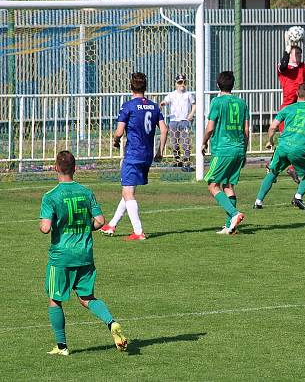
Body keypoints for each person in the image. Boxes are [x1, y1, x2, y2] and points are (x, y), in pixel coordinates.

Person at [40, 150, 127, 356]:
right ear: (75, 168)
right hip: (85, 254)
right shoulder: (86, 192)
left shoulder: (51, 196)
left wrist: (50, 224)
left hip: (61, 256)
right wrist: (84, 227)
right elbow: (100, 221)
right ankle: (111, 322)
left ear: (55, 168)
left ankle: (62, 346)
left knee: (55, 299)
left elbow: (45, 228)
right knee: (87, 297)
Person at [100, 72, 167, 240]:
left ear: (131, 87)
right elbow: (164, 130)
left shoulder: (128, 106)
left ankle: (138, 232)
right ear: (145, 87)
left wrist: (115, 140)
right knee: (128, 191)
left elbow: (119, 132)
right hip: (147, 155)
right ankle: (112, 225)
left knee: (128, 192)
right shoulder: (154, 106)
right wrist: (160, 151)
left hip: (133, 154)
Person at [254, 82, 305, 211]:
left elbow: (273, 126)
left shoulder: (288, 108)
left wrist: (270, 141)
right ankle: (298, 196)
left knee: (273, 172)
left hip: (283, 147)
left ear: (297, 93)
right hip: (299, 149)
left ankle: (258, 201)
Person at [202, 71, 250, 235]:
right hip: (238, 148)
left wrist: (203, 142)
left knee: (212, 184)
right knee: (228, 185)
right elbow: (246, 130)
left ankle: (235, 214)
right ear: (233, 85)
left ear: (218, 85)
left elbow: (210, 128)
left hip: (223, 149)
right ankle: (230, 225)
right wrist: (244, 151)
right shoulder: (242, 103)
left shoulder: (217, 102)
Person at [276, 30, 305, 184]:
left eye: (300, 53)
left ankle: (290, 168)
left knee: (301, 142)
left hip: (301, 110)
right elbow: (284, 63)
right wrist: (288, 46)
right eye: (297, 53)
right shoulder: (284, 68)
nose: (299, 55)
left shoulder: (303, 68)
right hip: (288, 111)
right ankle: (274, 167)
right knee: (287, 143)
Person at [160, 73, 196, 170]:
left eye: (184, 82)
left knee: (185, 141)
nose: (182, 84)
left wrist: (191, 114)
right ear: (176, 84)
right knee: (174, 142)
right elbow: (165, 101)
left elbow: (194, 105)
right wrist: (162, 104)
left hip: (184, 120)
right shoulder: (172, 94)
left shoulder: (188, 94)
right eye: (180, 82)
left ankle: (187, 161)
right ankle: (177, 160)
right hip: (174, 121)